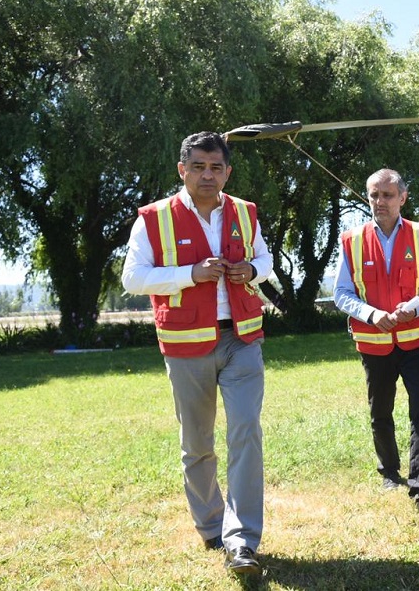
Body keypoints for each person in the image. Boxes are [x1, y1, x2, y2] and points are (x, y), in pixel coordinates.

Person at [121, 131, 271, 575]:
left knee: (246, 433)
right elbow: (134, 279)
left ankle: (242, 540)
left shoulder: (245, 212)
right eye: (199, 167)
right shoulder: (152, 218)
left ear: (228, 171)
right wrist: (190, 273)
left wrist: (250, 269)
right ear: (182, 170)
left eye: (216, 167)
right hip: (187, 345)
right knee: (197, 444)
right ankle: (210, 526)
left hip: (243, 338)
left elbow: (265, 261)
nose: (208, 175)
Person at [333, 169, 419, 521]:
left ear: (403, 197)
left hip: (418, 342)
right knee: (380, 413)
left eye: (387, 195)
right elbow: (341, 293)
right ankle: (389, 471)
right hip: (374, 343)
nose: (379, 202)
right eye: (373, 195)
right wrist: (369, 315)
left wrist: (414, 306)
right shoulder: (351, 240)